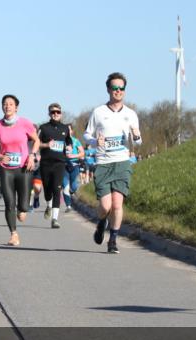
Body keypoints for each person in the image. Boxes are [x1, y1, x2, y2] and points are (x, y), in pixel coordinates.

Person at [84, 73, 142, 254]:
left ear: (124, 90)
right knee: (105, 207)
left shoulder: (131, 114)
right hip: (103, 163)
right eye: (115, 88)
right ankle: (102, 222)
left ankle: (113, 240)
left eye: (121, 88)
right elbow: (87, 134)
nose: (118, 91)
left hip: (122, 163)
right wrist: (94, 142)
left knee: (117, 205)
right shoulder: (98, 112)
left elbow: (138, 142)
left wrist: (137, 135)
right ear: (108, 90)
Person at [0, 94, 39, 246]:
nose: (7, 106)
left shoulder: (25, 123)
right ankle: (13, 234)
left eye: (11, 104)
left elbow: (36, 140)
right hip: (6, 169)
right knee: (9, 203)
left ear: (16, 107)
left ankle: (23, 207)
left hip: (24, 168)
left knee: (22, 211)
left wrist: (32, 155)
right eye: (5, 103)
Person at [37, 103, 74, 229]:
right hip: (46, 163)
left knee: (57, 189)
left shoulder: (65, 128)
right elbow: (36, 144)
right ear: (49, 114)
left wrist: (69, 146)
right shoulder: (43, 128)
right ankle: (48, 205)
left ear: (61, 113)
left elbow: (69, 141)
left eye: (58, 112)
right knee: (47, 191)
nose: (55, 114)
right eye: (53, 112)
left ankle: (55, 219)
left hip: (59, 163)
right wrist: (46, 145)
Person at [62, 124, 85, 211]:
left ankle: (71, 192)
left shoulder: (76, 141)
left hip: (74, 165)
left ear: (72, 131)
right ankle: (68, 206)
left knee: (74, 186)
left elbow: (82, 153)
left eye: (69, 130)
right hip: (64, 166)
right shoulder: (61, 141)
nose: (67, 131)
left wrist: (74, 155)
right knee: (65, 186)